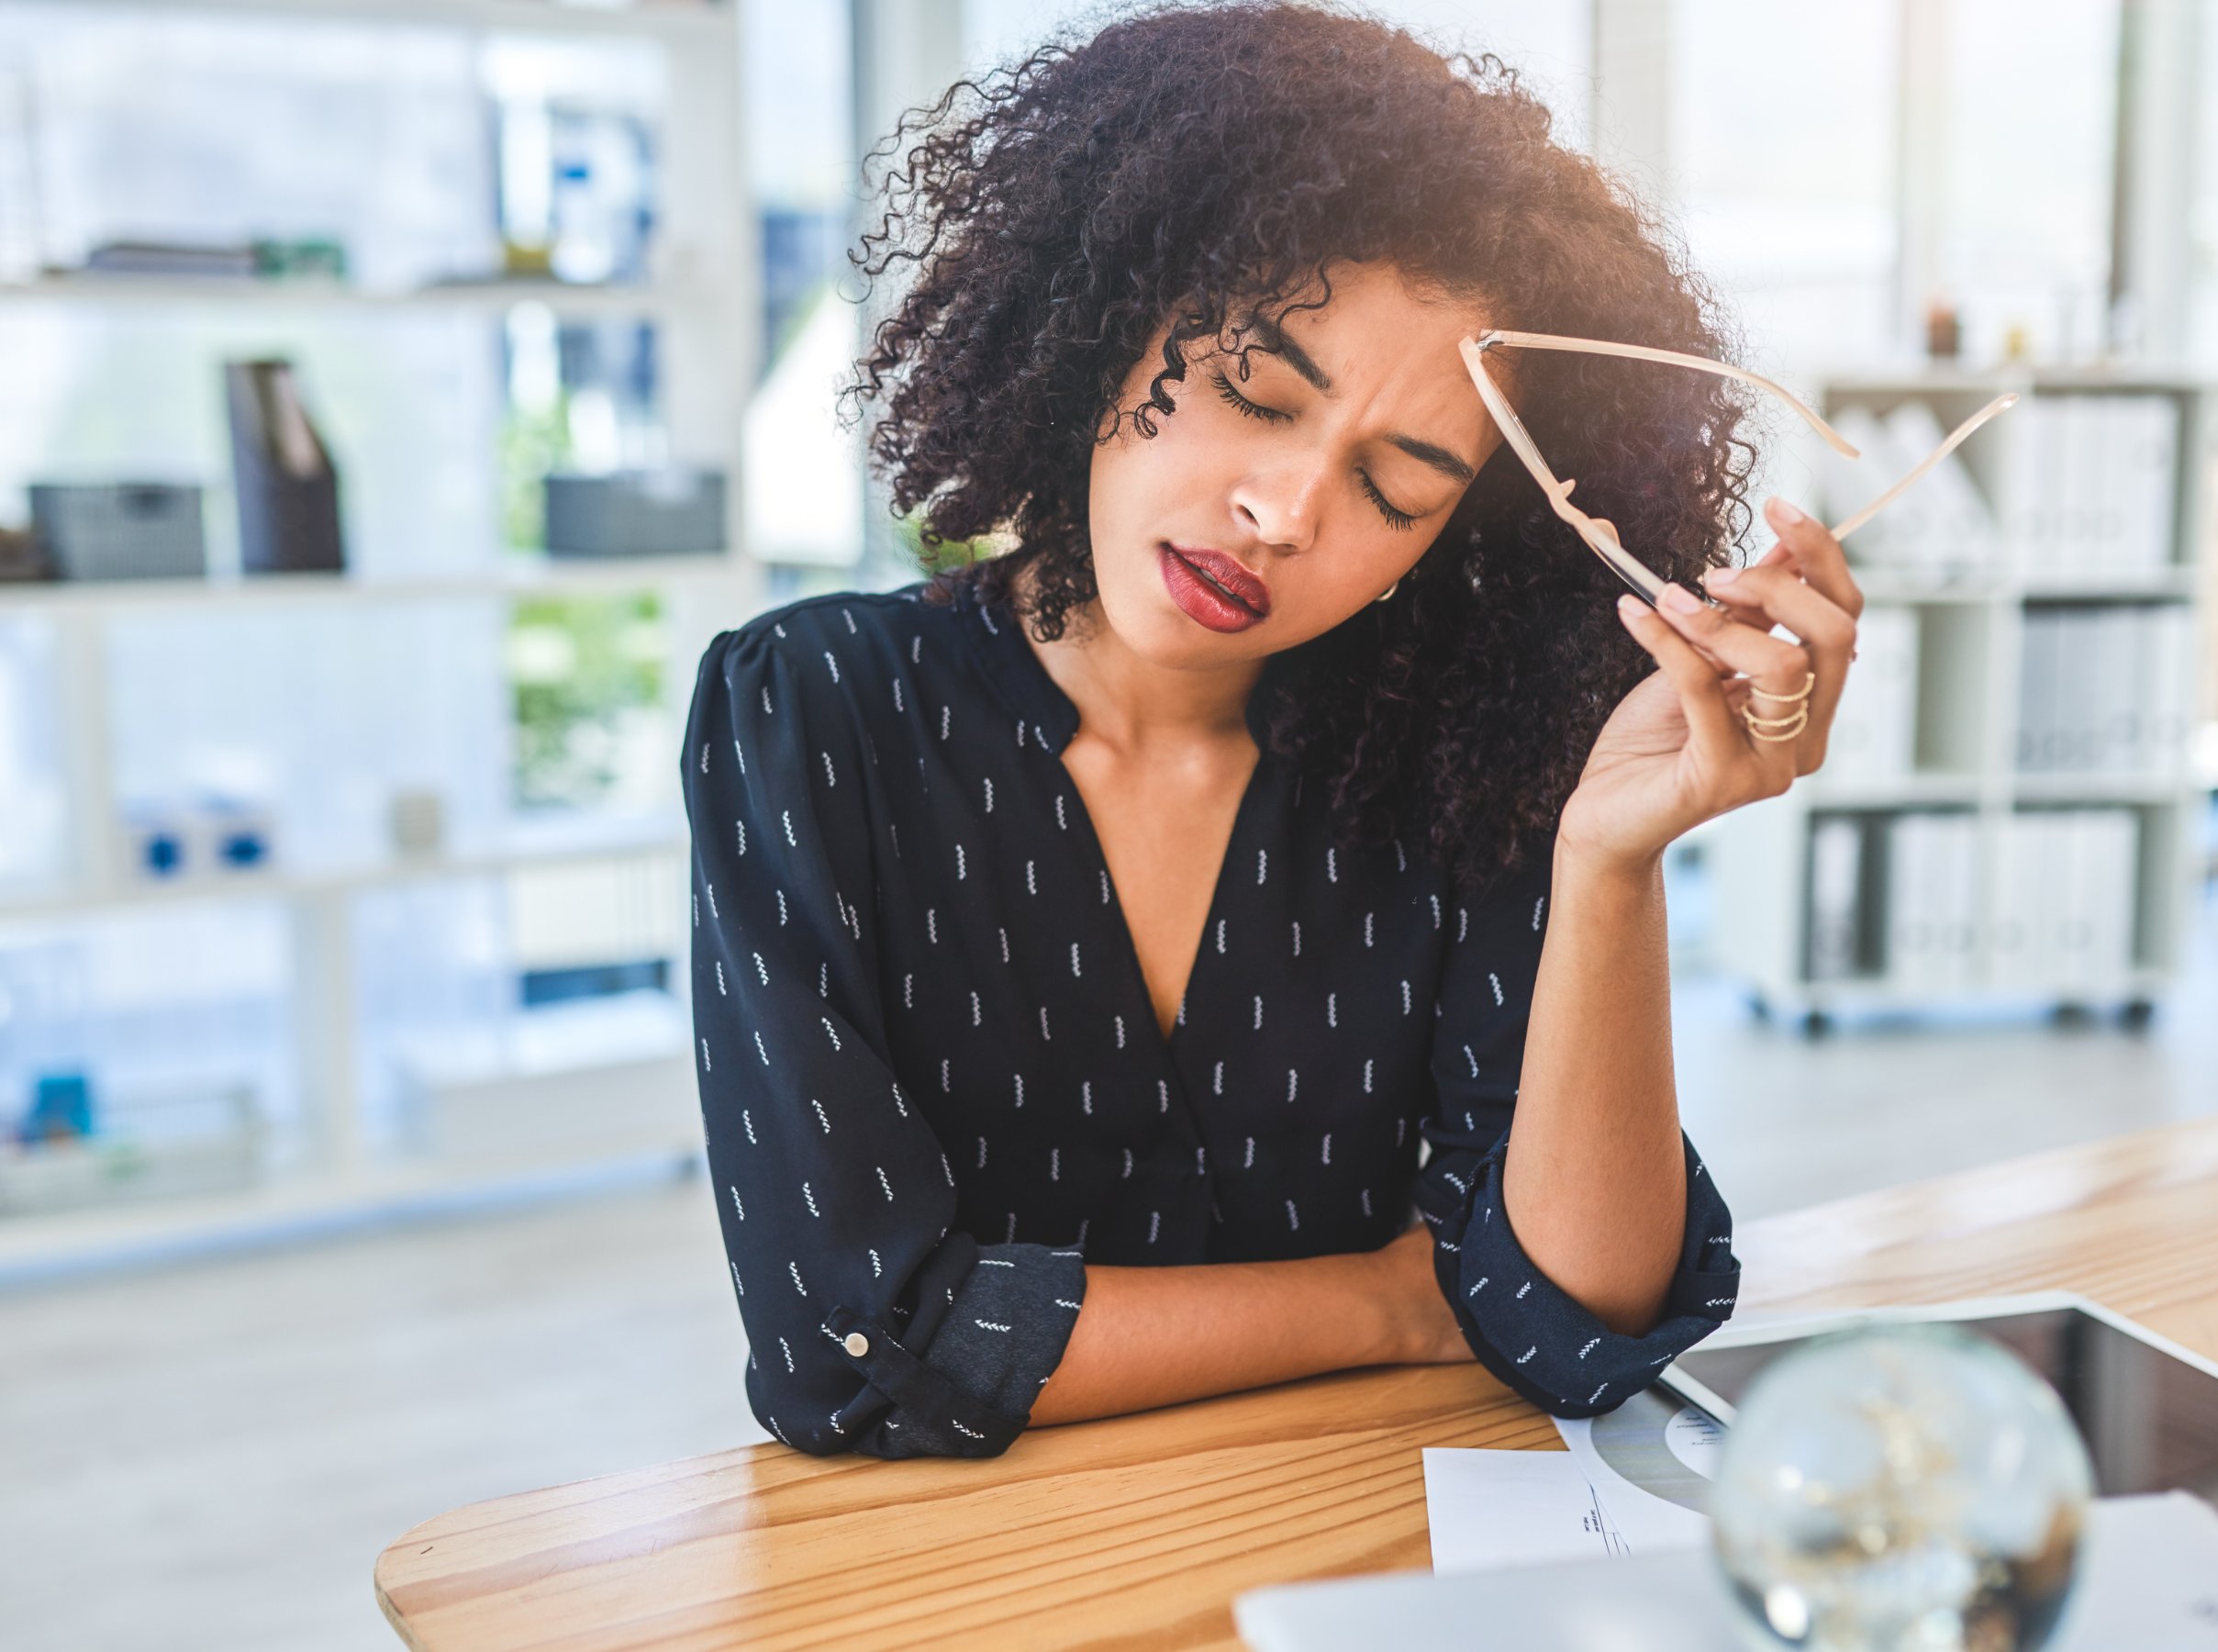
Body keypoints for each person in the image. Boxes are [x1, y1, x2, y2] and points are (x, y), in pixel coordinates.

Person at [683, 2, 1861, 1460]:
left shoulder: (1462, 766)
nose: (1287, 514)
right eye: (1252, 390)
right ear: (1106, 315)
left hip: (1349, 1551)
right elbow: (851, 1349)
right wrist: (1397, 1305)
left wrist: (1610, 861)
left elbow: (1571, 1322)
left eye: (1400, 488)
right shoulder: (813, 717)